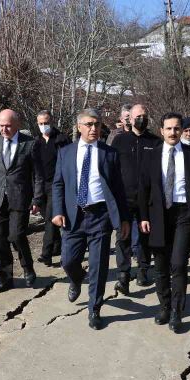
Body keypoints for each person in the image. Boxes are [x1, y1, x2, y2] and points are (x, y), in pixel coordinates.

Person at [52, 108, 130, 330]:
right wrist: (57, 211)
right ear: (79, 127)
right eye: (88, 124)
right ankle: (76, 278)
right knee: (68, 261)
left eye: (96, 124)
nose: (93, 128)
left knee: (98, 266)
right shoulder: (65, 153)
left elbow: (118, 189)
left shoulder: (109, 154)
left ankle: (94, 309)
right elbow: (58, 184)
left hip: (100, 216)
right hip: (73, 216)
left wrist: (123, 218)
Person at [139, 112, 190, 333]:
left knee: (178, 264)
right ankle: (165, 306)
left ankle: (177, 312)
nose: (173, 132)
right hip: (158, 215)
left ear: (182, 130)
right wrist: (143, 217)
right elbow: (143, 189)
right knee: (160, 266)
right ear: (161, 131)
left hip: (183, 215)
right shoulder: (151, 155)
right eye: (168, 128)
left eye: (176, 128)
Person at [0, 109, 43, 293]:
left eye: (8, 126)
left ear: (17, 125)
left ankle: (28, 268)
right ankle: (6, 278)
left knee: (16, 235)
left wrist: (37, 198)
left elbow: (37, 175)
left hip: (20, 198)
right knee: (0, 241)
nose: (4, 129)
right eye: (1, 125)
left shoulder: (29, 145)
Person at [110, 103, 161, 293]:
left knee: (144, 236)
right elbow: (113, 169)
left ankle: (143, 269)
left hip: (148, 200)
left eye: (145, 116)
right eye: (138, 116)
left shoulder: (155, 142)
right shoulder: (120, 141)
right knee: (122, 236)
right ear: (129, 119)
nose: (142, 119)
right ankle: (123, 275)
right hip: (124, 197)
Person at [32, 110, 71, 267]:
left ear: (52, 121)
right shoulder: (36, 143)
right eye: (40, 123)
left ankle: (46, 253)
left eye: (46, 122)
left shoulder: (62, 140)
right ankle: (58, 248)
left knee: (50, 218)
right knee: (50, 219)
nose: (43, 126)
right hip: (41, 186)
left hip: (58, 185)